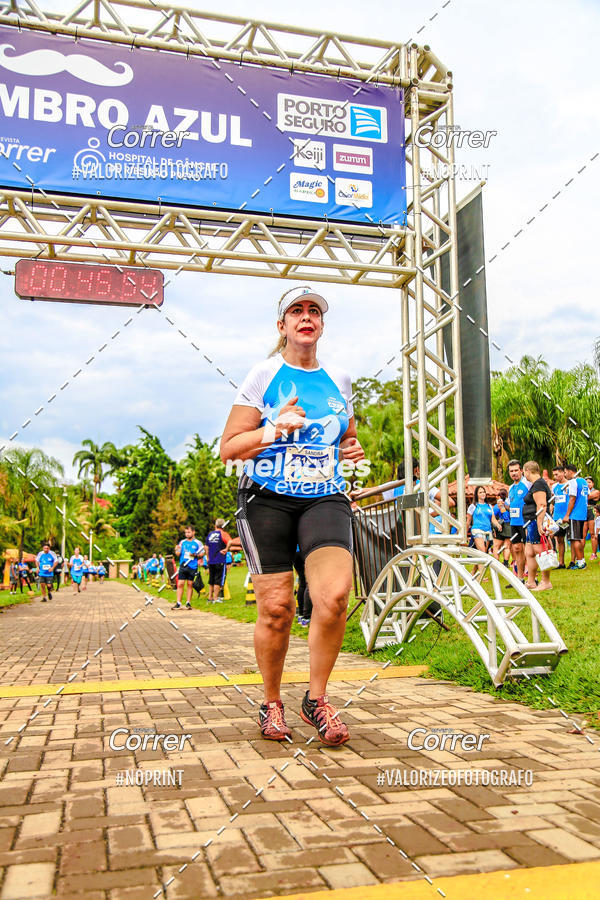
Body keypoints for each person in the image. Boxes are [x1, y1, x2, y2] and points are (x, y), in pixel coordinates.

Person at [220, 284, 365, 747]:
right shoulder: (264, 374)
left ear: (321, 325)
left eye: (314, 312)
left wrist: (349, 450)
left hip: (323, 494)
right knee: (278, 608)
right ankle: (271, 701)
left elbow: (344, 439)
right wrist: (272, 427)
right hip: (267, 497)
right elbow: (228, 448)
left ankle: (316, 700)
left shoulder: (339, 379)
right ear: (281, 326)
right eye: (296, 311)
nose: (307, 317)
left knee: (335, 596)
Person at [522, 460, 553, 591]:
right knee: (529, 552)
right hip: (530, 521)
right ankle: (531, 581)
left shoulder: (539, 484)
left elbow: (541, 505)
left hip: (535, 521)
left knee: (540, 551)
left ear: (528, 471)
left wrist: (539, 524)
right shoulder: (536, 484)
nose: (524, 475)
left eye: (524, 472)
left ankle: (546, 582)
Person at [466, 486, 500, 577]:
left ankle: (473, 572)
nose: (483, 494)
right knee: (481, 551)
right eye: (480, 492)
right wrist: (464, 534)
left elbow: (493, 518)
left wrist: (498, 525)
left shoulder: (489, 506)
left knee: (484, 553)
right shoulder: (473, 506)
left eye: (483, 492)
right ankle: (481, 575)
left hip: (488, 531)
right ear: (476, 494)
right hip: (477, 530)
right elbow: (468, 521)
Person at [507, 460, 530, 580]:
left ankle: (532, 577)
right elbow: (510, 505)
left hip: (525, 521)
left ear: (521, 470)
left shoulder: (527, 483)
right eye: (511, 471)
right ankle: (520, 578)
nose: (514, 473)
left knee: (528, 550)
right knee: (516, 549)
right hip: (514, 522)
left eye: (516, 470)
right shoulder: (511, 488)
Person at [563, 463, 589, 569]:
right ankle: (581, 560)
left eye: (565, 472)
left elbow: (572, 499)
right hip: (583, 514)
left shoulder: (573, 482)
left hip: (575, 514)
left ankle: (580, 562)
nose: (565, 475)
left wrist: (567, 515)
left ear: (570, 471)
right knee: (578, 538)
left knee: (574, 539)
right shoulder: (583, 481)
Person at [174, 525, 204, 609]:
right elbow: (178, 554)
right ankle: (178, 603)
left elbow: (202, 553)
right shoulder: (182, 542)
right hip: (183, 565)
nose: (187, 534)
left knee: (190, 584)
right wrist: (176, 549)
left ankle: (188, 603)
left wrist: (195, 554)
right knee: (180, 584)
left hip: (192, 566)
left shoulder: (198, 543)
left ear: (193, 532)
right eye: (186, 532)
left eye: (189, 532)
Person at [205, 519, 233, 603]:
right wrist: (226, 549)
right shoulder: (223, 534)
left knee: (211, 579)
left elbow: (206, 547)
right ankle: (216, 598)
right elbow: (230, 541)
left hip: (211, 560)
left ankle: (210, 597)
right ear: (223, 526)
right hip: (220, 560)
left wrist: (207, 557)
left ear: (215, 526)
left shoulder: (210, 534)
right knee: (218, 579)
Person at [550, 465, 569, 568]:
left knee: (571, 538)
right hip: (557, 516)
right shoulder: (554, 486)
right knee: (559, 539)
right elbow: (553, 499)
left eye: (557, 474)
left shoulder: (569, 485)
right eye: (554, 475)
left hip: (567, 516)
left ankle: (574, 561)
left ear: (563, 473)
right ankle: (561, 562)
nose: (555, 477)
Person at [492, 489, 512, 566]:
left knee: (496, 546)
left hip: (501, 525)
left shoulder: (497, 506)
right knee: (507, 546)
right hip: (509, 526)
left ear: (499, 496)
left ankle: (496, 564)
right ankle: (506, 563)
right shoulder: (508, 504)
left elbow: (493, 516)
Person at [585, 477, 599, 559]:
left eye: (589, 482)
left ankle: (594, 553)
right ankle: (580, 556)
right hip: (583, 512)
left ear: (593, 483)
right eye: (586, 482)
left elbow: (588, 497)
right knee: (582, 535)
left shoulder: (596, 491)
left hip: (592, 513)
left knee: (593, 533)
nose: (588, 484)